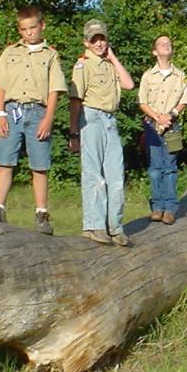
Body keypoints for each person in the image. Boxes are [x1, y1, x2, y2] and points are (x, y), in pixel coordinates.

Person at [0, 6, 65, 234]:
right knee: (5, 160)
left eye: (33, 28)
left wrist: (48, 118)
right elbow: (0, 84)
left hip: (37, 111)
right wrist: (0, 113)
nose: (29, 33)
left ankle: (41, 213)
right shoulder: (10, 52)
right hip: (12, 111)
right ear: (19, 30)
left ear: (42, 26)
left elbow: (54, 90)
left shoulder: (50, 55)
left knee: (39, 165)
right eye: (24, 29)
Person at [67, 19, 135, 246]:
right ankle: (94, 225)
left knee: (115, 176)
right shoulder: (83, 64)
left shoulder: (109, 64)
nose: (99, 44)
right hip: (91, 117)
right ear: (86, 42)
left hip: (110, 120)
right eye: (94, 40)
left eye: (102, 39)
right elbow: (75, 100)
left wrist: (113, 57)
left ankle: (115, 226)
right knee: (94, 175)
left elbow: (128, 84)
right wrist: (74, 132)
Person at [137, 35, 187, 225]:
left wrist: (171, 114)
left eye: (168, 43)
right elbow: (142, 102)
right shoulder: (147, 76)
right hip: (152, 126)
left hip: (172, 127)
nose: (166, 45)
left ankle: (170, 209)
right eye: (161, 43)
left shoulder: (180, 75)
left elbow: (185, 100)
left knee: (170, 167)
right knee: (155, 168)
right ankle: (157, 207)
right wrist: (157, 117)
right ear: (155, 51)